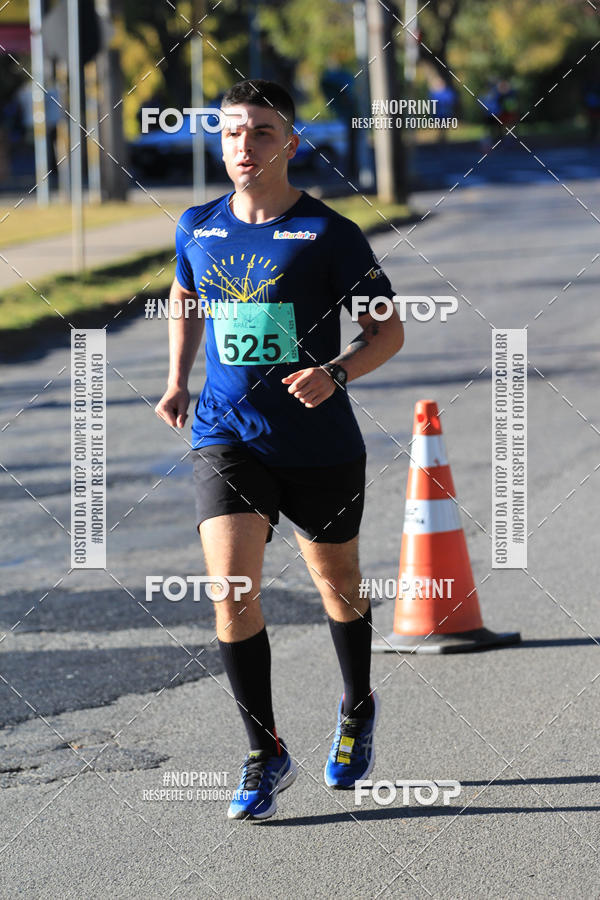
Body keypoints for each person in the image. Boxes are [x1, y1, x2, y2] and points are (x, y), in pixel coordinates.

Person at [155, 79, 404, 821]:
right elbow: (186, 296)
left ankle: (357, 704)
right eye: (233, 131)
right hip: (227, 435)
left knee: (339, 584)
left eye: (262, 132)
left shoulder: (329, 234)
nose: (245, 145)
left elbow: (387, 331)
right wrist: (176, 379)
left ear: (290, 144)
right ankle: (264, 753)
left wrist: (336, 373)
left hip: (319, 443)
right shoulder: (198, 226)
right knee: (231, 591)